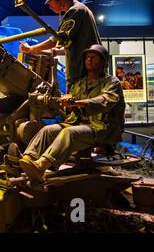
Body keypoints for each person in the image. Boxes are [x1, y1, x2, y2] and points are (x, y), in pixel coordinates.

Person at [18, 44, 125, 183]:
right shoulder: (79, 83)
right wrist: (61, 101)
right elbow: (68, 104)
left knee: (69, 133)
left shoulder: (112, 82)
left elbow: (104, 101)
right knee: (48, 130)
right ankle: (28, 159)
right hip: (78, 123)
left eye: (94, 57)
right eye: (87, 57)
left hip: (102, 128)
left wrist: (75, 102)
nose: (89, 59)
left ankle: (41, 165)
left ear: (103, 61)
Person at [19, 0, 101, 90]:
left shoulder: (75, 11)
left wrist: (30, 48)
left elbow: (56, 39)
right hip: (87, 71)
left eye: (50, 3)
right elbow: (77, 43)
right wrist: (57, 51)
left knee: (78, 104)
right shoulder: (80, 9)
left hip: (83, 73)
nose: (50, 7)